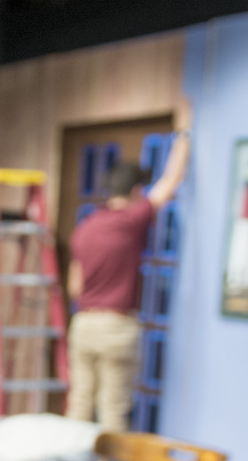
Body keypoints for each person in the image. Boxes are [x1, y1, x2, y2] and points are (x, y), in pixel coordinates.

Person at [66, 100, 193, 433]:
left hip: (83, 323)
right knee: (113, 410)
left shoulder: (86, 227)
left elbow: (74, 288)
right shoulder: (132, 219)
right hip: (116, 326)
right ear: (136, 191)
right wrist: (184, 133)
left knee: (79, 403)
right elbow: (171, 181)